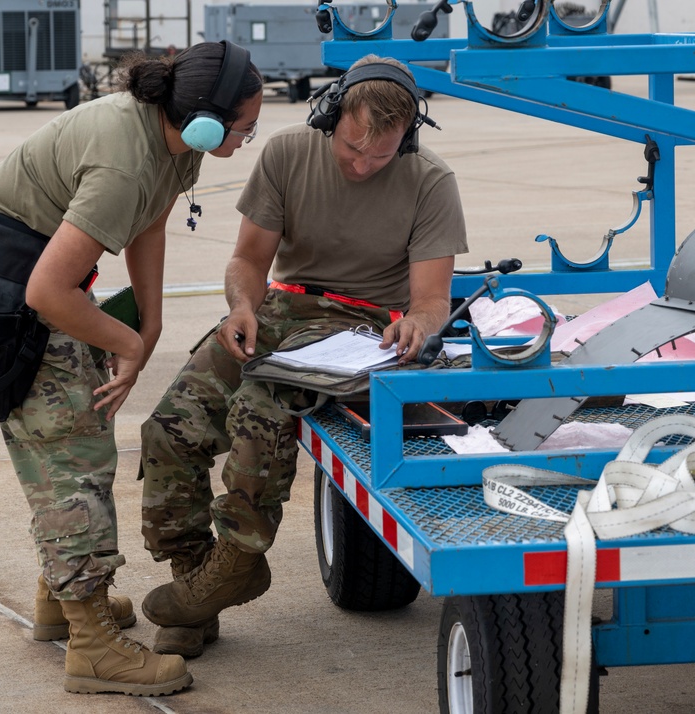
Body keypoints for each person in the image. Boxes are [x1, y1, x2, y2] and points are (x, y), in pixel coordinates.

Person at [139, 55, 467, 658]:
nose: (362, 164)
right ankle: (198, 584)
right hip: (278, 309)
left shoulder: (430, 180)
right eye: (352, 148)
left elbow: (430, 300)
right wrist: (242, 306)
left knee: (258, 414)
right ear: (330, 116)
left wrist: (417, 325)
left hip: (361, 326)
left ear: (407, 138)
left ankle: (235, 562)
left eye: (380, 155)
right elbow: (248, 260)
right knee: (168, 429)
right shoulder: (288, 153)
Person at [0, 41, 262, 696]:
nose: (248, 138)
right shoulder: (124, 163)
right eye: (245, 127)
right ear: (206, 122)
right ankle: (92, 645)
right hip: (22, 299)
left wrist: (148, 324)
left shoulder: (172, 141)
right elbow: (47, 291)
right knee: (73, 458)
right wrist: (126, 345)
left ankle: (61, 601)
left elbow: (149, 222)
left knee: (72, 448)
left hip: (39, 286)